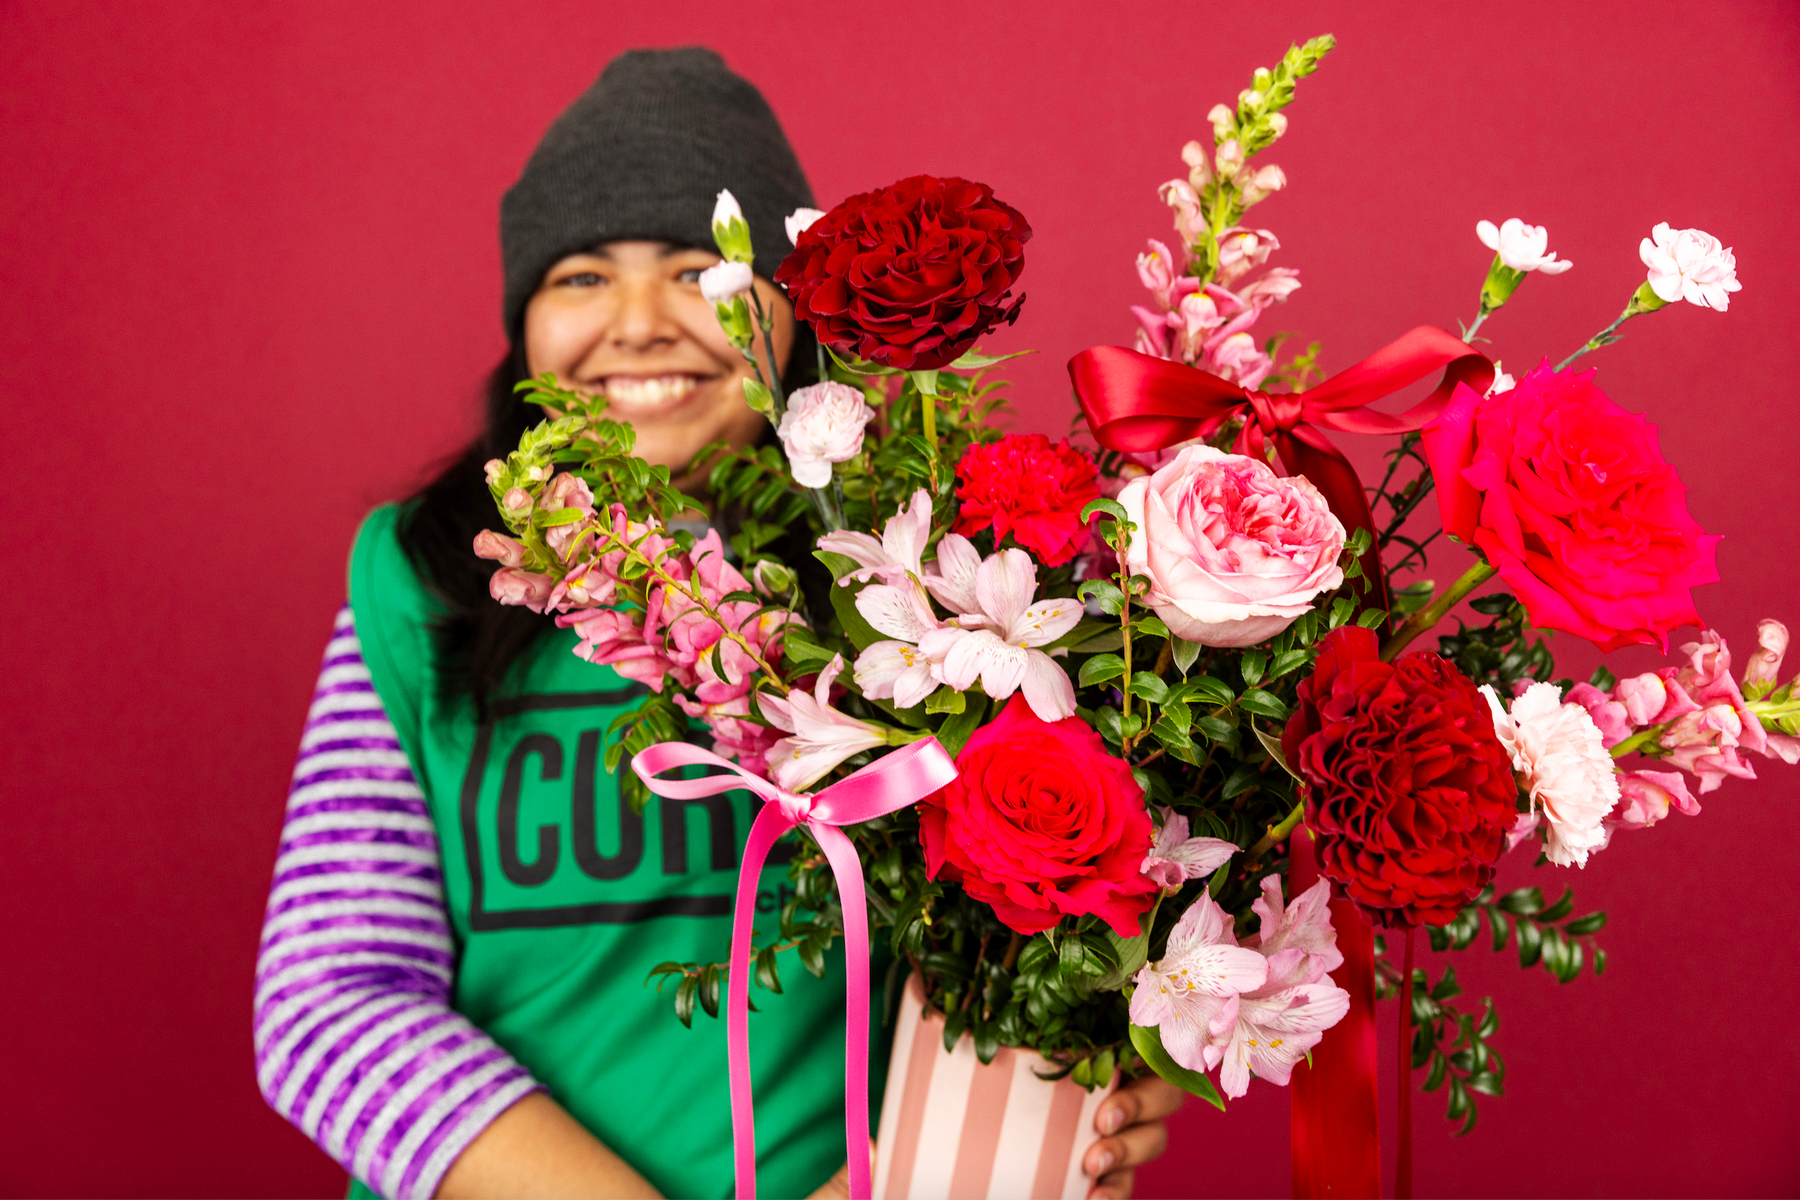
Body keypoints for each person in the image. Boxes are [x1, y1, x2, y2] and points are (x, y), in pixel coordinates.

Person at [253, 46, 1178, 1200]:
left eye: (699, 271)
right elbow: (326, 1007)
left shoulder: (928, 584)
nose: (638, 324)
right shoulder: (420, 580)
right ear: (522, 324)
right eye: (580, 275)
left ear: (791, 313)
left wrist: (1086, 1080)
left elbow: (1030, 935)